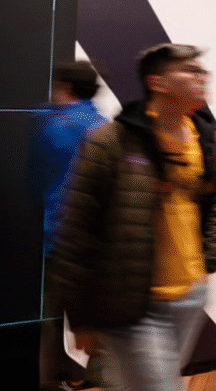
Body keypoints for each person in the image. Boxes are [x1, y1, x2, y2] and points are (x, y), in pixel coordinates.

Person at [51, 43, 216, 391]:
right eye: (188, 70)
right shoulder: (110, 144)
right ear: (157, 82)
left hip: (190, 297)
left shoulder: (207, 140)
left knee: (137, 384)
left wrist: (205, 263)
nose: (201, 77)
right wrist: (82, 318)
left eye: (201, 70)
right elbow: (76, 232)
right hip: (133, 304)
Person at [29, 62, 107, 388]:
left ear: (66, 87)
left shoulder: (50, 125)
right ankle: (101, 379)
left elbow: (34, 184)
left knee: (51, 317)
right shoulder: (103, 126)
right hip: (98, 238)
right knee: (102, 315)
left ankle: (51, 383)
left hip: (58, 238)